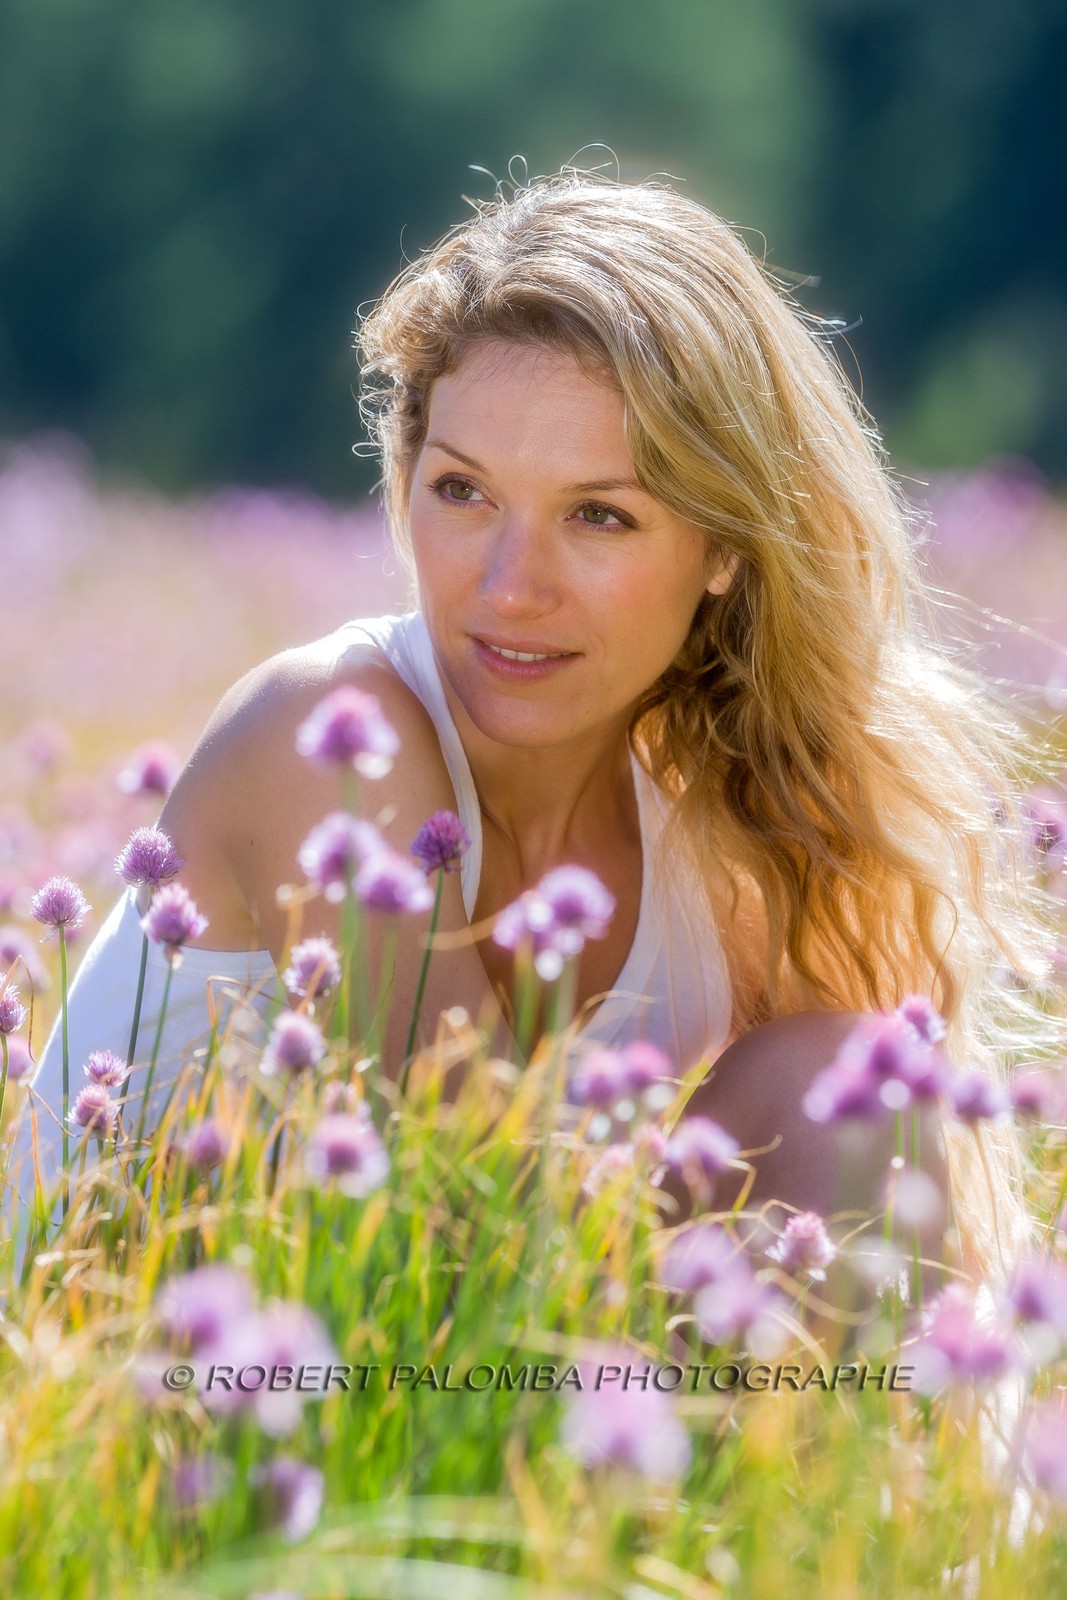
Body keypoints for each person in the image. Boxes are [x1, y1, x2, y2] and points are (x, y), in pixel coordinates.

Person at [12, 171, 1060, 1309]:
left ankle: (851, 1490)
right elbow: (480, 1237)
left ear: (722, 549)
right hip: (160, 1411)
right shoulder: (327, 739)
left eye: (597, 514)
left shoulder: (733, 844)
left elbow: (860, 1229)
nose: (510, 587)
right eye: (462, 491)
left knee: (853, 1090)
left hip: (461, 1394)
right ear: (403, 476)